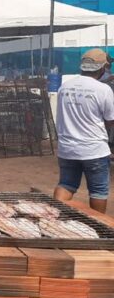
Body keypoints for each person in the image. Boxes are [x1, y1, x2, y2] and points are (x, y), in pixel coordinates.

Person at [54, 48, 114, 213]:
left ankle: (56, 221)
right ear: (102, 68)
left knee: (66, 185)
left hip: (67, 149)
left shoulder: (64, 87)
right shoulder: (103, 90)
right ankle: (97, 227)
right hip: (94, 150)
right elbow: (111, 120)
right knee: (98, 191)